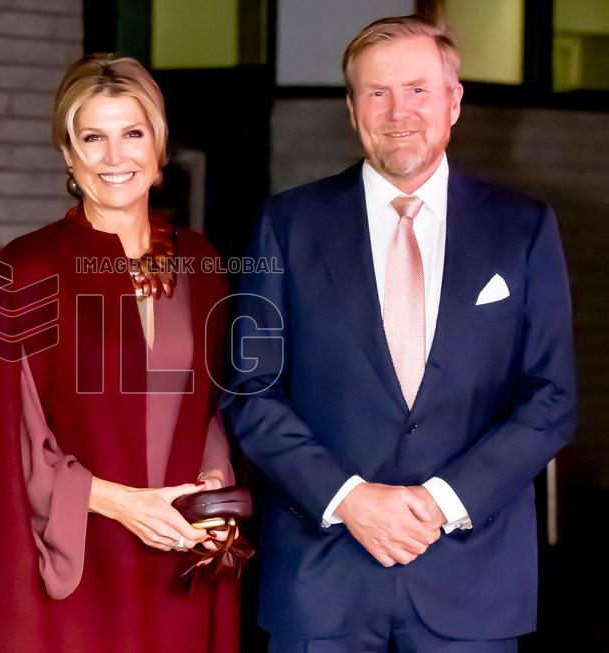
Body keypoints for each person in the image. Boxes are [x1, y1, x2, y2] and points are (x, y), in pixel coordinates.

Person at [222, 14, 576, 653]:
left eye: (417, 89)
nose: (397, 112)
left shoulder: (523, 227)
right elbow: (251, 392)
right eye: (377, 92)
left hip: (472, 580)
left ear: (453, 101)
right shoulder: (286, 224)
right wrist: (349, 498)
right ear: (352, 108)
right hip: (321, 579)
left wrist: (440, 503)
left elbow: (552, 400)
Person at [0, 54, 241, 653]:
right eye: (93, 138)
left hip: (179, 549)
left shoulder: (199, 260)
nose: (115, 157)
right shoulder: (25, 269)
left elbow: (209, 408)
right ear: (68, 153)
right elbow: (9, 439)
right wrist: (118, 503)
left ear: (159, 146)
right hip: (79, 558)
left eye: (132, 134)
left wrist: (213, 484)